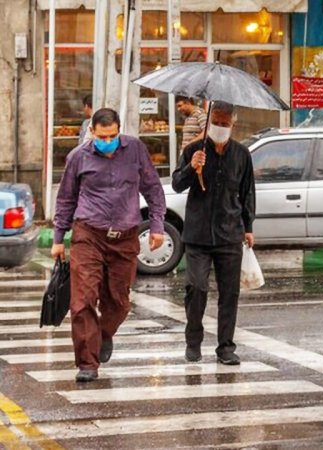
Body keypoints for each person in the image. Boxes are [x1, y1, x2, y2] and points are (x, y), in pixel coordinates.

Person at [52, 108, 166, 382]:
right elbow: (66, 198)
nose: (108, 142)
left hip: (125, 237)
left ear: (119, 130)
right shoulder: (78, 157)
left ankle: (102, 334)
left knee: (119, 302)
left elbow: (152, 188)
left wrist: (157, 225)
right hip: (88, 234)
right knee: (82, 301)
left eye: (113, 135)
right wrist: (58, 238)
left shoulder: (135, 150)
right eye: (103, 137)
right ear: (92, 132)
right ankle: (87, 363)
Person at [171, 101, 255, 365]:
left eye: (224, 123)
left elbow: (247, 192)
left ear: (233, 124)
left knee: (229, 293)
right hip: (197, 234)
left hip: (230, 233)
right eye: (215, 122)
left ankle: (226, 347)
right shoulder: (194, 150)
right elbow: (176, 185)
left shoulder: (242, 155)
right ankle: (193, 341)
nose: (219, 127)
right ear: (207, 123)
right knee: (196, 287)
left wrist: (249, 226)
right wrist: (190, 168)